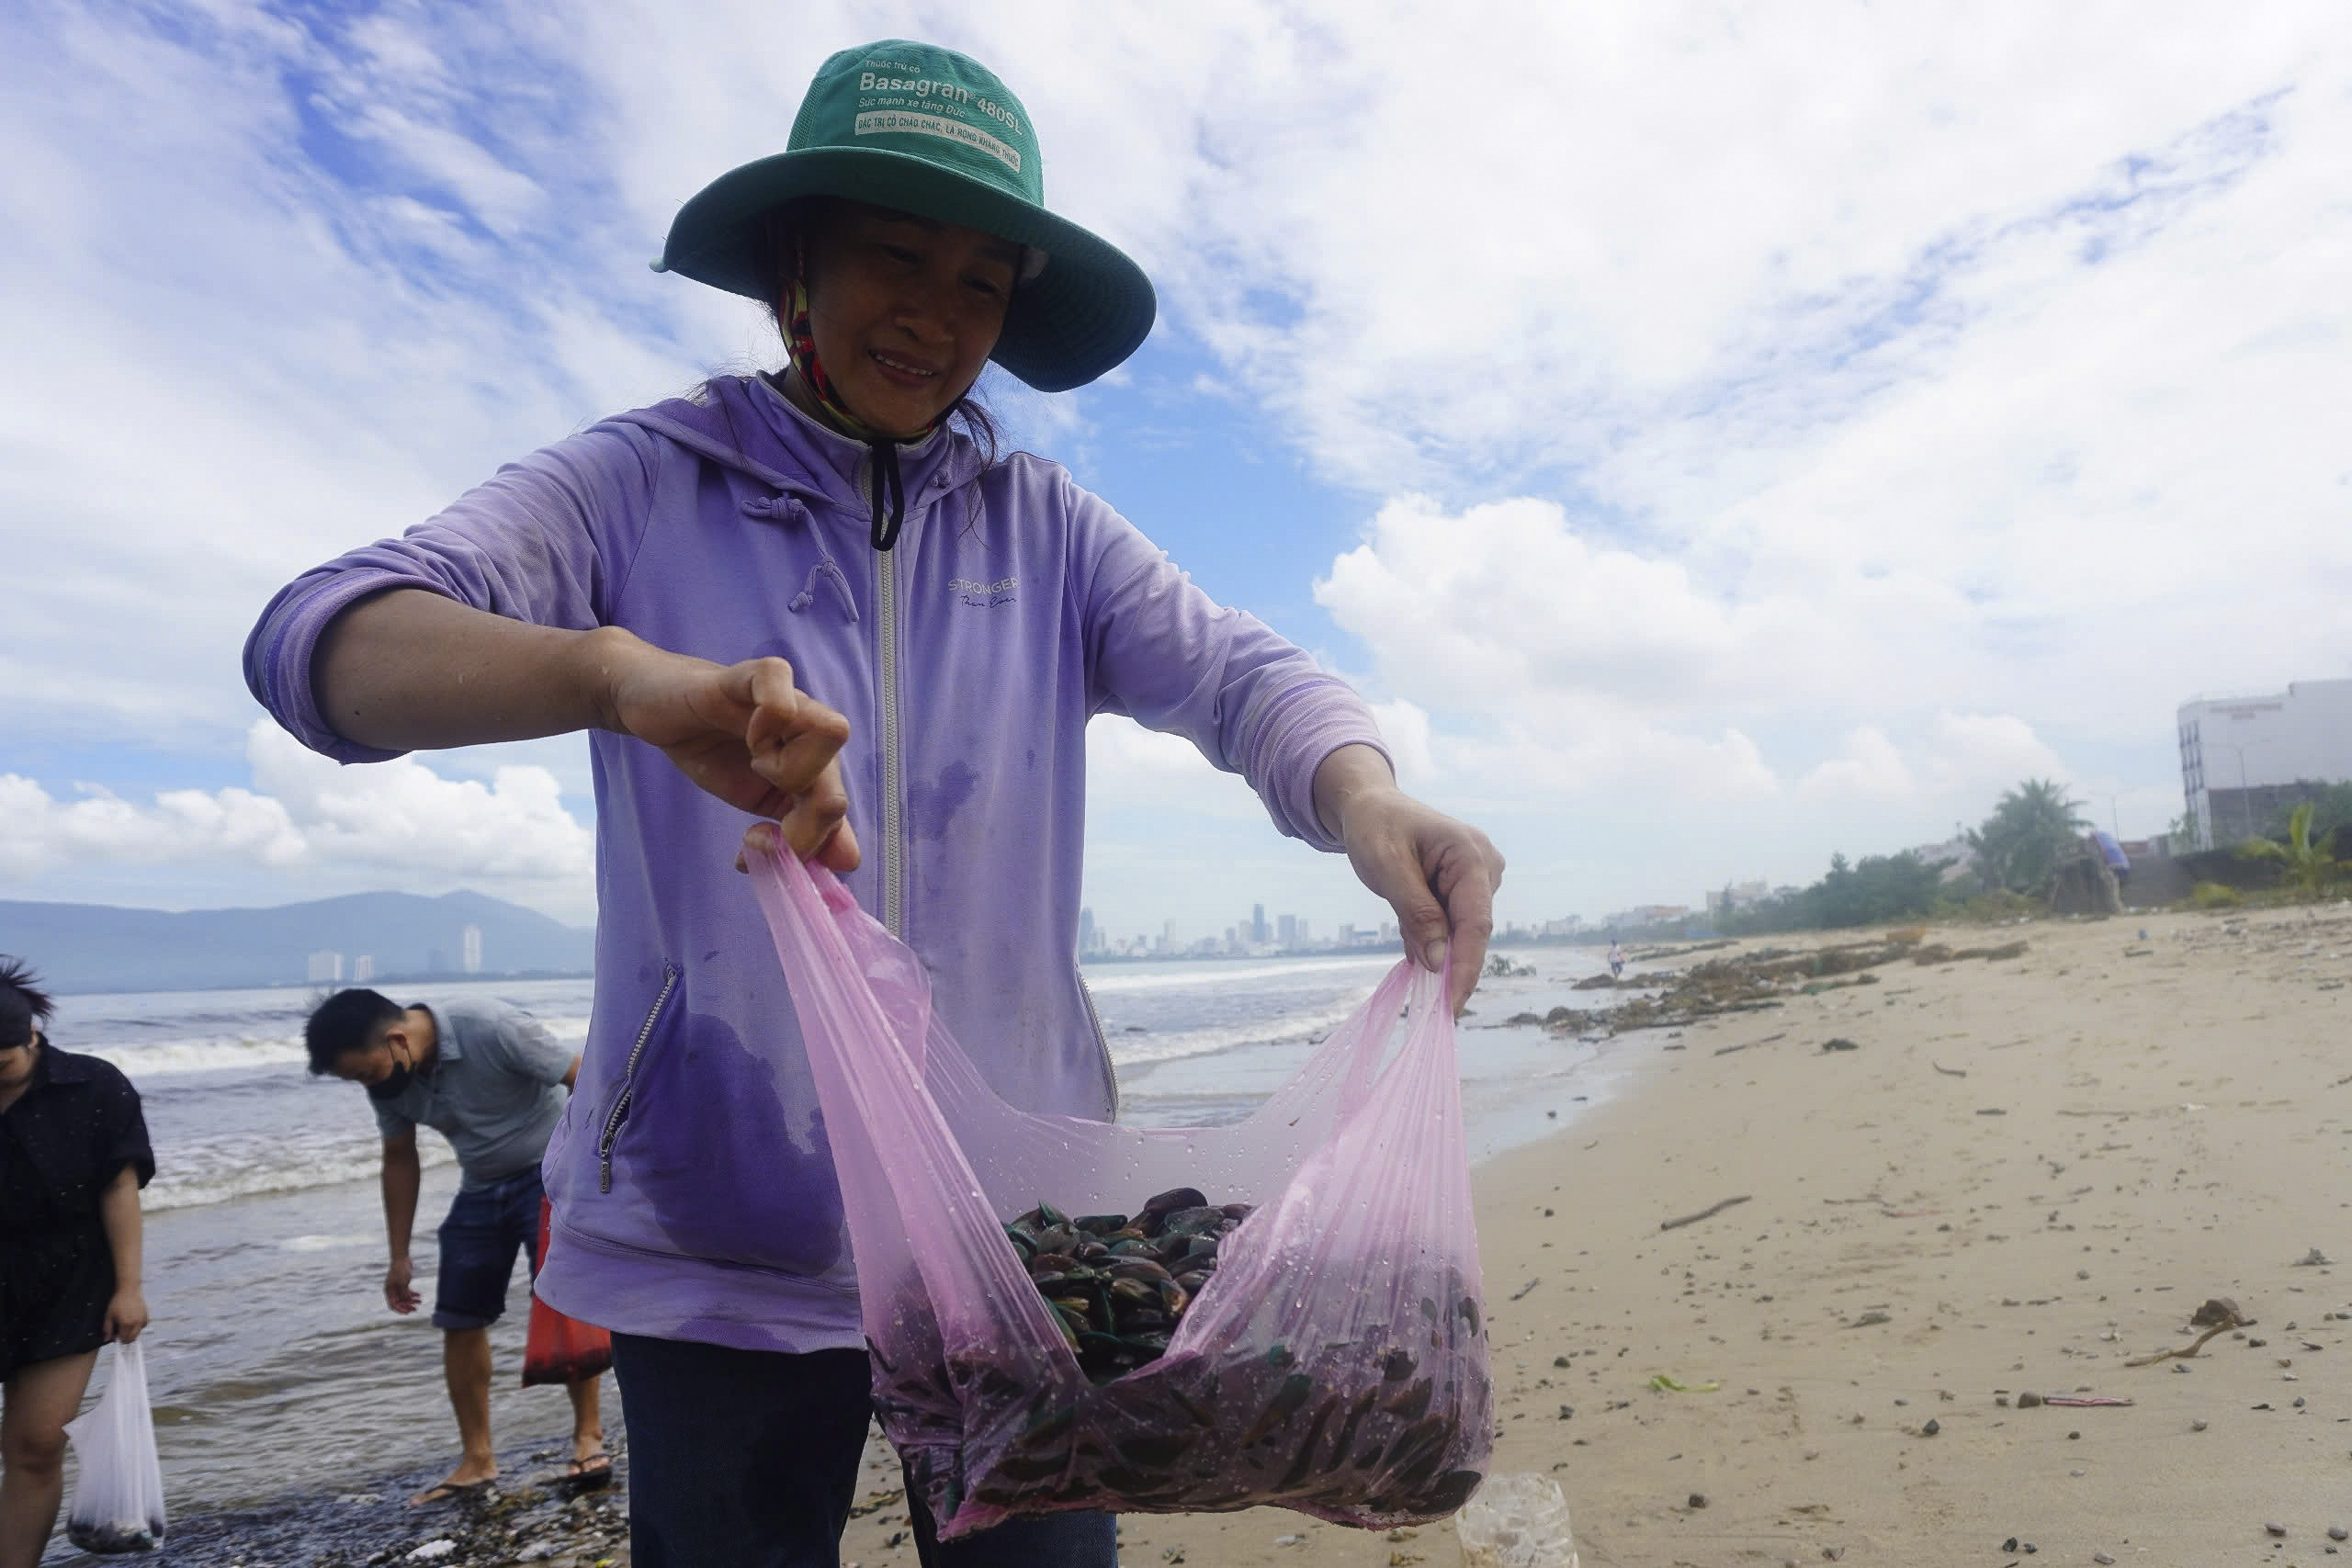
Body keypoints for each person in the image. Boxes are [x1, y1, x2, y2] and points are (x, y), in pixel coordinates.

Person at [245, 38, 1503, 1568]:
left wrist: (1365, 800)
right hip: (718, 1234)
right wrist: (617, 674)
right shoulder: (642, 485)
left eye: (983, 280)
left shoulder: (1049, 531)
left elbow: (1247, 678)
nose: (937, 310)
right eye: (894, 253)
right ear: (796, 266)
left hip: (1019, 1240)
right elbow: (326, 643)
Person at [303, 988, 606, 1506]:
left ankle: (588, 1436)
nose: (366, 1086)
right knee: (459, 1318)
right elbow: (399, 1158)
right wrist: (398, 1255)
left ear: (397, 1039)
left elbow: (585, 1080)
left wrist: (601, 1173)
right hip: (482, 1185)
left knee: (563, 1304)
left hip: (553, 1172)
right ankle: (477, 1459)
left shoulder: (489, 1026)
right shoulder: (390, 1081)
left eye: (365, 1074)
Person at [0, 958, 152, 1568]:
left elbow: (119, 1188)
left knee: (35, 1444)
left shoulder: (95, 1087)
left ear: (33, 1035)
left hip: (68, 1280)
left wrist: (129, 1287)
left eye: (1, 1061)